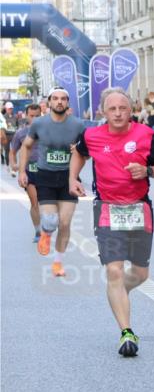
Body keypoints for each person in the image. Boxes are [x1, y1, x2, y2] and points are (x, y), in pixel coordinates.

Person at [68, 88, 154, 356]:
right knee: (114, 271)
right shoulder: (91, 135)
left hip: (139, 208)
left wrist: (146, 170)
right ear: (103, 111)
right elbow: (79, 153)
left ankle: (118, 293)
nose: (117, 113)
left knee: (139, 274)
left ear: (131, 109)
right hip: (106, 209)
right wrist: (73, 178)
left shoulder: (146, 135)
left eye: (122, 108)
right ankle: (127, 333)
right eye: (112, 108)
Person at [18, 88, 88, 277]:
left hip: (69, 177)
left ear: (68, 103)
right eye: (55, 99)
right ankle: (46, 233)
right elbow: (26, 146)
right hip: (46, 176)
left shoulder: (78, 125)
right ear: (49, 102)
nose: (59, 102)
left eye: (63, 99)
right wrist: (22, 170)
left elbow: (86, 155)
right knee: (50, 220)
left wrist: (79, 150)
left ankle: (58, 262)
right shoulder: (39, 123)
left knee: (64, 223)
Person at [13, 104, 43, 242]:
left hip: (47, 170)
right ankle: (38, 232)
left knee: (49, 203)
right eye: (32, 116)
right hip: (30, 171)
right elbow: (12, 151)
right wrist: (13, 163)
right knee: (35, 202)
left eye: (37, 115)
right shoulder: (21, 133)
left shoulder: (48, 131)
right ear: (26, 116)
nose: (35, 118)